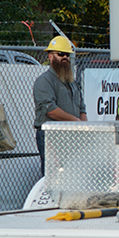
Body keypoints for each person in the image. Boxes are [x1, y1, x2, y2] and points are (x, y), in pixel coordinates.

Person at [33, 36, 86, 176]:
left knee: (73, 175)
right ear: (50, 57)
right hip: (51, 136)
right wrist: (76, 122)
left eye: (67, 55)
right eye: (60, 54)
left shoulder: (72, 82)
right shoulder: (44, 81)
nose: (65, 58)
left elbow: (82, 107)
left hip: (72, 136)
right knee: (53, 177)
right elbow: (50, 110)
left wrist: (85, 130)